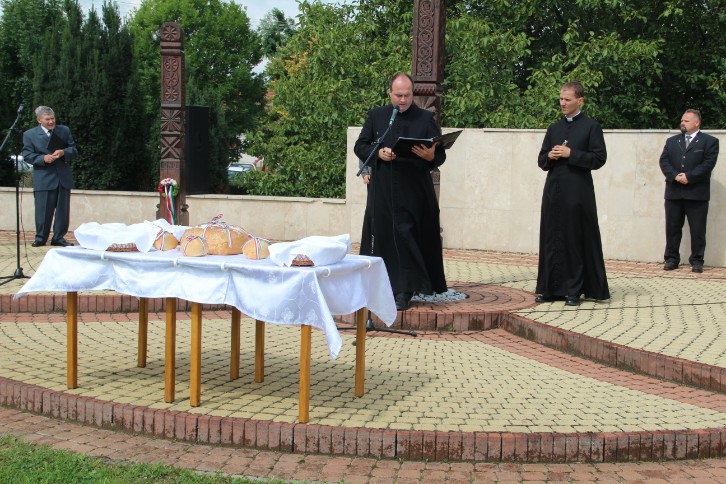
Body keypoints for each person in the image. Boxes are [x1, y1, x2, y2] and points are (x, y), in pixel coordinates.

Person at [355, 73, 447, 311]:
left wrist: (430, 156)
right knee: (385, 237)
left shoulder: (425, 118)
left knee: (408, 237)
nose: (403, 100)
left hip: (414, 191)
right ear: (390, 93)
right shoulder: (377, 116)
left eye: (407, 95)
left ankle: (405, 289)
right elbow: (360, 146)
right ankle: (383, 285)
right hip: (383, 191)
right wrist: (378, 153)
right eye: (398, 95)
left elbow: (440, 153)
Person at [535, 81, 610, 307]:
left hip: (578, 194)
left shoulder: (591, 126)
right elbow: (541, 160)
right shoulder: (554, 128)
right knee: (551, 239)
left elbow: (599, 158)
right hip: (553, 193)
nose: (563, 103)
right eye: (561, 99)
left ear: (580, 100)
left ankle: (573, 290)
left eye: (567, 99)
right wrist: (550, 156)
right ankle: (550, 289)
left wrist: (571, 153)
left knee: (574, 241)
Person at [659, 109, 719, 273]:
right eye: (682, 120)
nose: (682, 123)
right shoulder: (672, 141)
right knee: (672, 228)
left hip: (697, 193)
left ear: (696, 123)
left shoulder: (710, 142)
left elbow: (708, 164)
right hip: (674, 192)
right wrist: (675, 176)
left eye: (686, 121)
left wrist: (689, 177)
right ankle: (671, 259)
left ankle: (697, 260)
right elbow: (664, 161)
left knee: (698, 230)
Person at [22, 106, 77, 247]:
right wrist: (43, 158)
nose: (51, 122)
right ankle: (41, 238)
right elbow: (27, 155)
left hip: (63, 177)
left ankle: (58, 237)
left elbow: (73, 150)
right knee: (43, 210)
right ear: (39, 120)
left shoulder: (64, 130)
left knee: (62, 211)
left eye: (53, 118)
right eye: (47, 119)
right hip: (44, 178)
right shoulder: (29, 134)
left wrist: (63, 152)